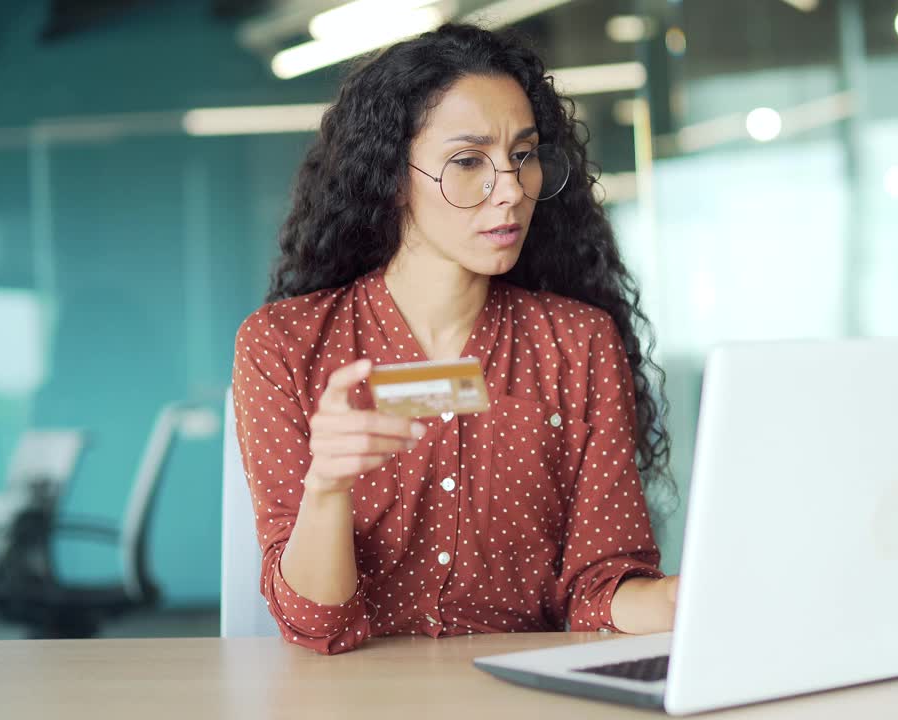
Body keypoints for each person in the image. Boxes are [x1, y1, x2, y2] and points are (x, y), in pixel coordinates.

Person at [231, 23, 678, 655]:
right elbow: (316, 624)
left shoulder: (578, 343)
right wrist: (326, 484)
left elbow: (597, 590)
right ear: (391, 174)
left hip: (524, 696)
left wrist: (678, 601)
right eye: (468, 162)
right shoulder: (285, 344)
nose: (512, 190)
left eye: (523, 157)